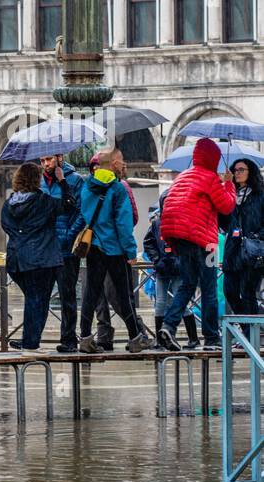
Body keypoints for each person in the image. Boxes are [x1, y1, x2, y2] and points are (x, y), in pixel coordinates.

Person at [156, 138, 236, 352]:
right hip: (204, 242)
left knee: (188, 284)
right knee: (208, 286)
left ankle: (169, 326)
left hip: (180, 238)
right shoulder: (210, 178)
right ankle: (211, 338)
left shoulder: (183, 176)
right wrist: (228, 184)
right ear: (213, 158)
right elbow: (226, 206)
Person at [76, 150, 155, 354]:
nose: (122, 166)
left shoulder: (87, 187)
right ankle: (135, 338)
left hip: (94, 247)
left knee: (91, 294)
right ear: (111, 164)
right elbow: (123, 223)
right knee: (123, 295)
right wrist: (130, 253)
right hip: (114, 249)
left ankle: (85, 338)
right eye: (120, 162)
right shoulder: (118, 189)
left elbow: (85, 214)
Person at [2, 163, 75, 353]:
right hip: (40, 258)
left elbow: (5, 225)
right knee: (37, 299)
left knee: (35, 299)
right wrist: (62, 181)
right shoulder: (43, 201)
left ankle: (30, 338)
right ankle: (30, 342)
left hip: (16, 260)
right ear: (37, 180)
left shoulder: (9, 203)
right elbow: (69, 204)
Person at [40, 154, 85, 352]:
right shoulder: (39, 180)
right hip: (44, 247)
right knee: (40, 295)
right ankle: (32, 337)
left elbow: (82, 211)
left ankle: (68, 339)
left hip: (66, 250)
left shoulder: (75, 180)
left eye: (49, 159)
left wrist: (69, 235)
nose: (45, 164)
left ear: (60, 157)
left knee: (67, 296)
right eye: (42, 160)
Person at [144, 195, 200, 348]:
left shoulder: (182, 222)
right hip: (162, 268)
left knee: (180, 301)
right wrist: (157, 259)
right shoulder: (156, 224)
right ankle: (160, 339)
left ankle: (193, 338)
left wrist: (180, 259)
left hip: (178, 268)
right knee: (160, 302)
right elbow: (148, 242)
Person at [223, 158, 264, 316]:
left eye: (241, 170)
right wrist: (225, 188)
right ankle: (247, 332)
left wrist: (256, 236)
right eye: (235, 170)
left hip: (252, 251)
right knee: (230, 292)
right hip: (232, 250)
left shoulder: (260, 195)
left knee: (248, 293)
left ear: (250, 172)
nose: (237, 173)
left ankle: (250, 336)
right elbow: (223, 222)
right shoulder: (230, 195)